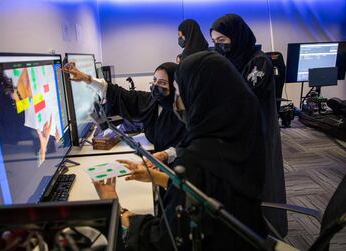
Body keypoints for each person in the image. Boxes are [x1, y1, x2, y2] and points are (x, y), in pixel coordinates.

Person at [94, 51, 268, 250]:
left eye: (180, 92)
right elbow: (211, 191)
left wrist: (116, 207)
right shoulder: (243, 136)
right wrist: (157, 177)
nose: (176, 101)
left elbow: (163, 240)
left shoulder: (196, 160)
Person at [210, 13, 288, 236]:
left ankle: (269, 231)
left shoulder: (258, 61)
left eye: (222, 41)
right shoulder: (230, 59)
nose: (218, 46)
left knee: (262, 181)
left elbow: (244, 96)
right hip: (238, 131)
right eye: (215, 42)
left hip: (257, 131)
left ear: (237, 36)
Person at [62, 62, 186, 153]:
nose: (155, 85)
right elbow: (117, 93)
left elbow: (187, 149)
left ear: (175, 86)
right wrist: (86, 78)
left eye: (162, 83)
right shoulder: (152, 102)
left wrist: (165, 155)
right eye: (154, 80)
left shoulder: (183, 114)